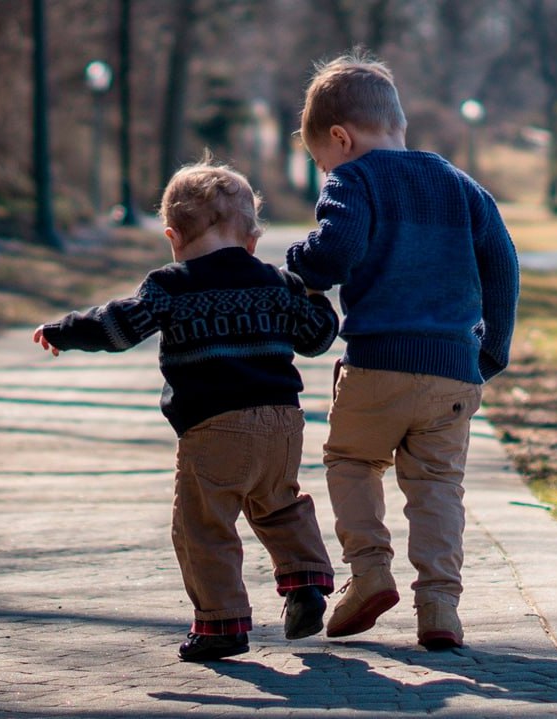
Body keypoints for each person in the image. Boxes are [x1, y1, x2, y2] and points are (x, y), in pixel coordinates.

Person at [33, 157, 339, 662]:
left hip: (214, 426)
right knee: (280, 504)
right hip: (283, 423)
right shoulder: (275, 282)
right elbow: (315, 338)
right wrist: (315, 293)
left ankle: (222, 624)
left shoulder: (171, 285)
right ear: (251, 238)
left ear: (173, 236)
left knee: (203, 526)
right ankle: (305, 583)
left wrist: (67, 330)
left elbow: (119, 327)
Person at [286, 50, 519, 650]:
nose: (325, 170)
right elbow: (503, 265)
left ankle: (368, 573)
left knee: (351, 461)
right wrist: (491, 350)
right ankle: (439, 606)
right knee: (438, 484)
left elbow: (334, 253)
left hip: (378, 363)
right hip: (453, 371)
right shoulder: (460, 185)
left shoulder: (354, 179)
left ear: (341, 138)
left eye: (321, 160)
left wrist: (297, 262)